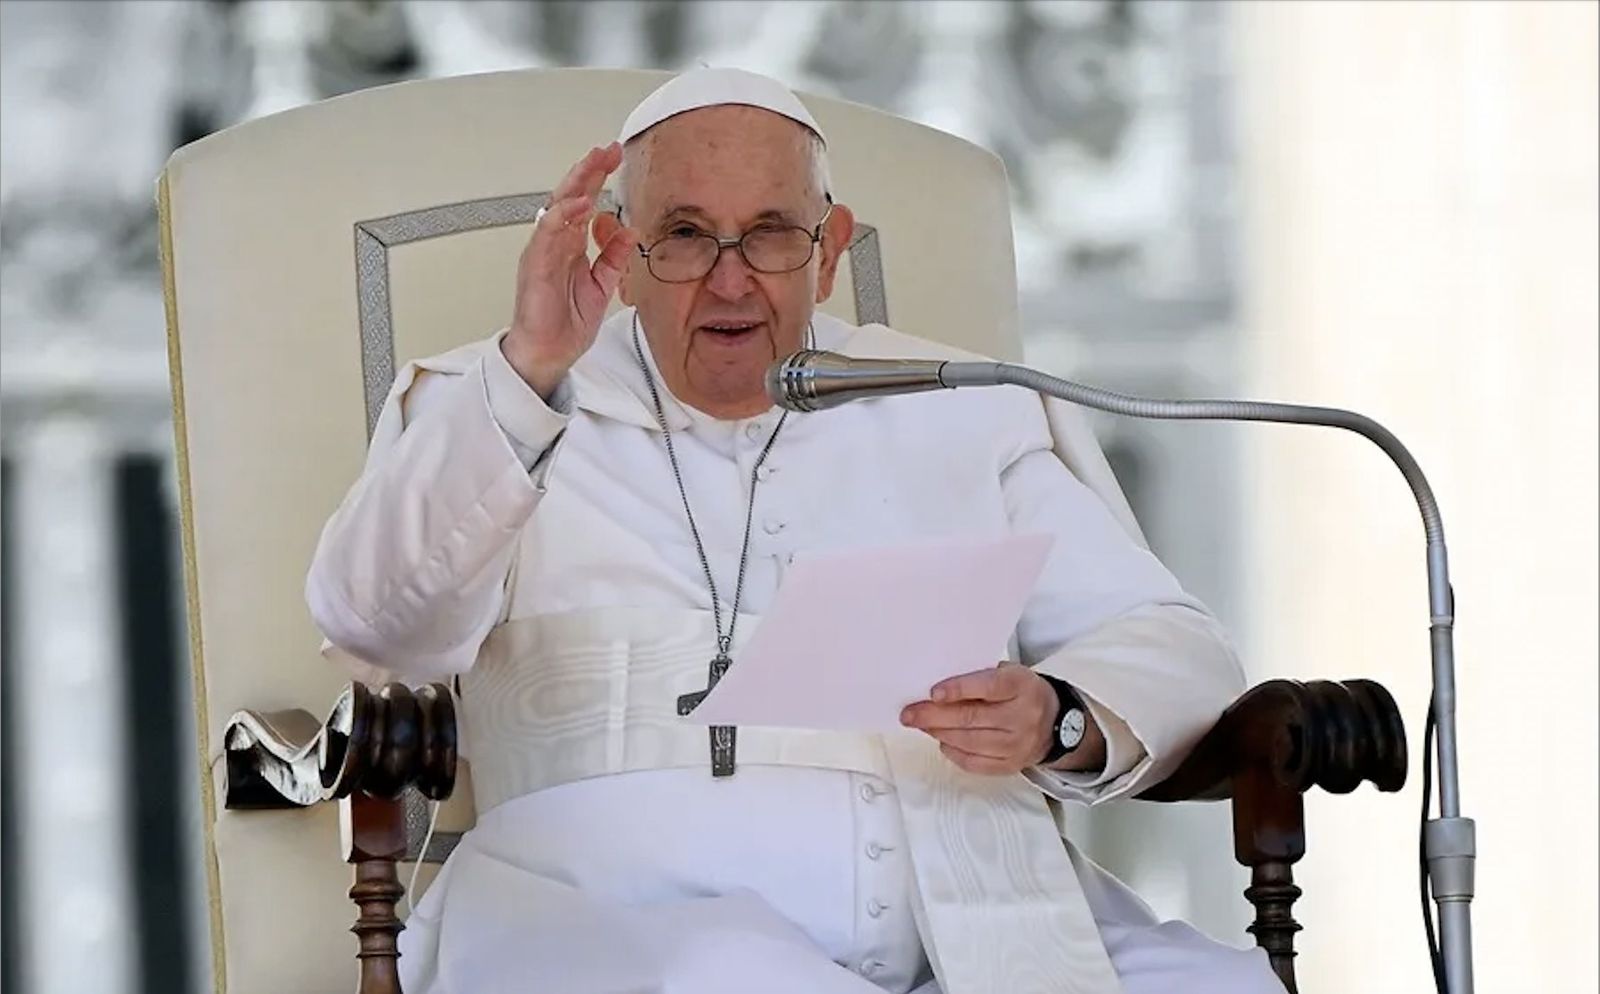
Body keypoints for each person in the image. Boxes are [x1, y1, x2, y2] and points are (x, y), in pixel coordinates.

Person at [307, 67, 1283, 994]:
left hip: (980, 908)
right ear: (620, 251)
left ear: (829, 249)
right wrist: (530, 366)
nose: (731, 281)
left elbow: (1170, 641)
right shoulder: (503, 401)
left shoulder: (960, 403)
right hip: (606, 922)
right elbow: (373, 620)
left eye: (771, 234)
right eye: (685, 235)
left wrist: (1061, 715)